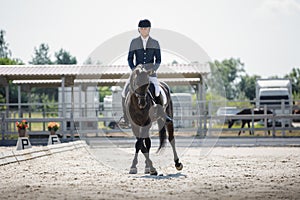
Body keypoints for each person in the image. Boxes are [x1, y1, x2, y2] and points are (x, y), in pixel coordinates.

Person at [119, 19, 163, 127]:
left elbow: (158, 60)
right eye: (142, 28)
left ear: (149, 29)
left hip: (150, 74)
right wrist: (134, 69)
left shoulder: (155, 42)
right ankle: (125, 117)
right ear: (139, 29)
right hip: (136, 74)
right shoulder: (134, 42)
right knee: (124, 92)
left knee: (157, 91)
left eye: (146, 28)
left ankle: (161, 114)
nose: (144, 30)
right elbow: (130, 58)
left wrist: (153, 70)